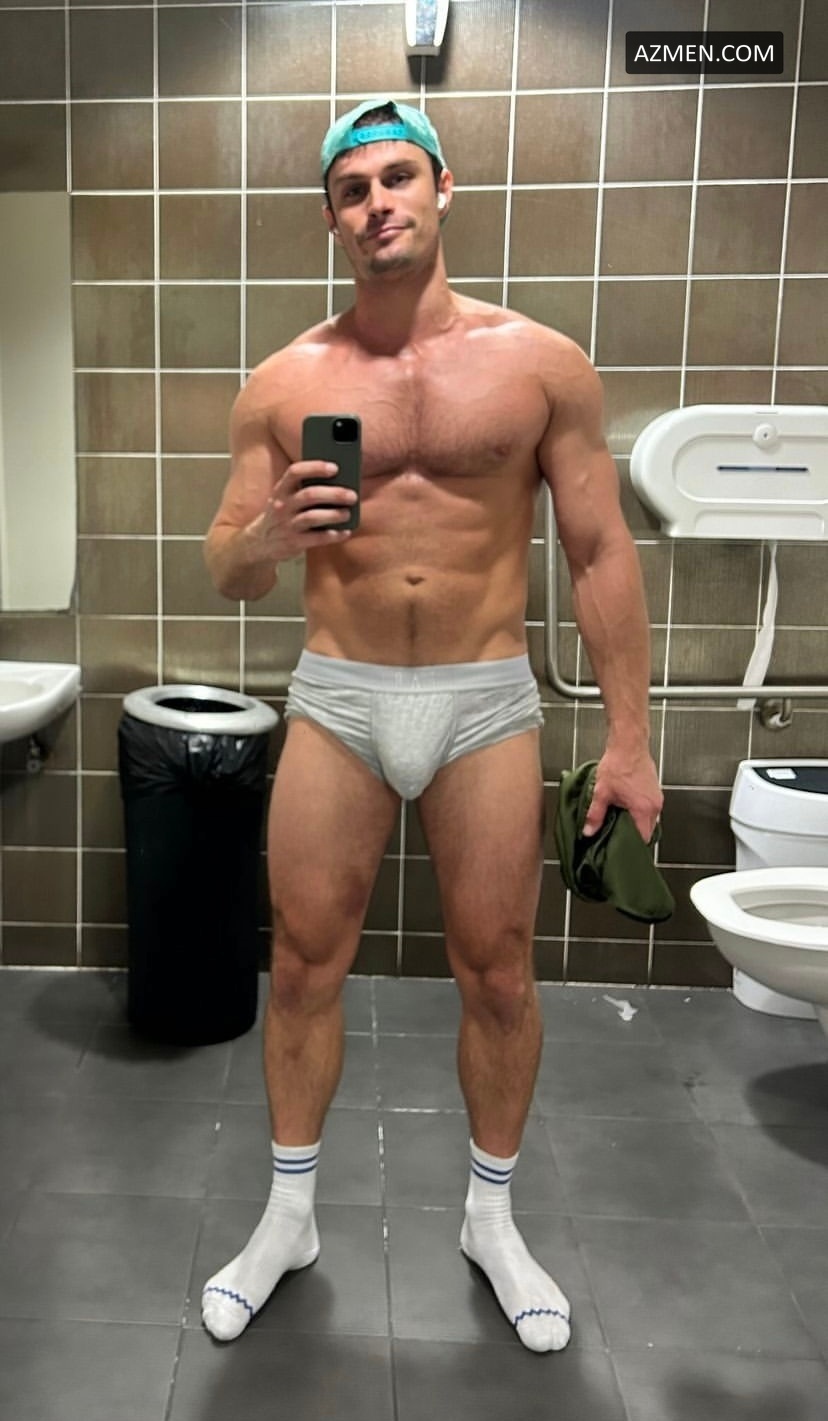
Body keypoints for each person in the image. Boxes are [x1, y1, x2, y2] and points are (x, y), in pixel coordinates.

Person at [201, 98, 663, 1353]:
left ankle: (492, 1219)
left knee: (499, 971)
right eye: (352, 191)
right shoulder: (286, 380)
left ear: (443, 187)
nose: (378, 205)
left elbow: (599, 549)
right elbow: (226, 566)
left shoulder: (540, 364)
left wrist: (628, 738)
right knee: (303, 965)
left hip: (483, 698)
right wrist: (268, 537)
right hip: (341, 695)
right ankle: (289, 1214)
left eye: (397, 178)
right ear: (332, 219)